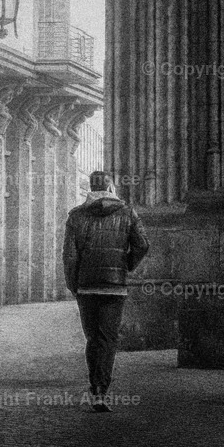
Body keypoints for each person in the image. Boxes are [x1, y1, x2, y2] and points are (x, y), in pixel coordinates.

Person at [62, 170, 149, 412]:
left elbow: (69, 256)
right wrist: (125, 265)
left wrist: (73, 284)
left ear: (90, 188)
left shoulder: (76, 216)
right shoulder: (128, 212)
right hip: (114, 287)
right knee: (108, 339)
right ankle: (101, 391)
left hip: (87, 287)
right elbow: (142, 244)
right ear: (110, 187)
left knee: (93, 338)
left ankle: (95, 387)